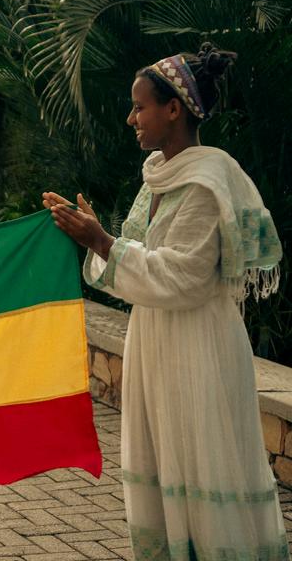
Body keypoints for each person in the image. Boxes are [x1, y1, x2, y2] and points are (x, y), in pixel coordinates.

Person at [43, 44, 288, 559]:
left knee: (203, 465)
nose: (131, 119)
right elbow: (140, 262)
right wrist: (95, 237)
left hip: (198, 347)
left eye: (140, 107)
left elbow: (185, 277)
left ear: (173, 109)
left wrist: (103, 243)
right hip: (155, 340)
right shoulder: (158, 173)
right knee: (164, 463)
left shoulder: (205, 182)